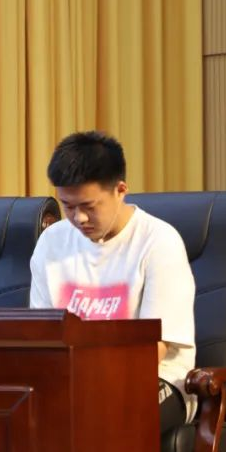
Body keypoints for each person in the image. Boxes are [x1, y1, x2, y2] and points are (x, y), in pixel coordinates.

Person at [28, 131, 195, 433]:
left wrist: (90, 382)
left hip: (155, 378)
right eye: (68, 206)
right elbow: (43, 335)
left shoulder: (158, 241)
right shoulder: (51, 242)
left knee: (100, 413)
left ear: (121, 190)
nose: (79, 218)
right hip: (71, 379)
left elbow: (154, 347)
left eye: (89, 206)